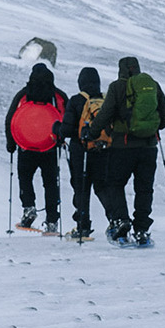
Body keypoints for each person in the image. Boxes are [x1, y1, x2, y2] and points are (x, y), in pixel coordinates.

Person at [82, 55, 165, 247]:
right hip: (148, 148)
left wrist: (92, 132)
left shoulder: (117, 87)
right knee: (144, 189)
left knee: (114, 184)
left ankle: (122, 220)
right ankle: (142, 230)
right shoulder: (151, 85)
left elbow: (105, 113)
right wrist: (151, 128)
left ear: (121, 69)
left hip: (122, 146)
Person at [4, 62, 65, 234]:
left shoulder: (23, 95)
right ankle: (52, 219)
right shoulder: (58, 96)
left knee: (25, 178)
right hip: (50, 147)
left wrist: (11, 143)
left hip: (26, 146)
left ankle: (29, 208)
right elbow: (67, 120)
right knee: (51, 184)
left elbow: (11, 119)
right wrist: (61, 139)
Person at [54, 66, 106, 242]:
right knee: (102, 188)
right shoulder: (105, 100)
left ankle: (83, 226)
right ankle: (116, 221)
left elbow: (67, 130)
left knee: (81, 189)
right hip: (102, 150)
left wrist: (57, 128)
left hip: (80, 152)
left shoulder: (77, 100)